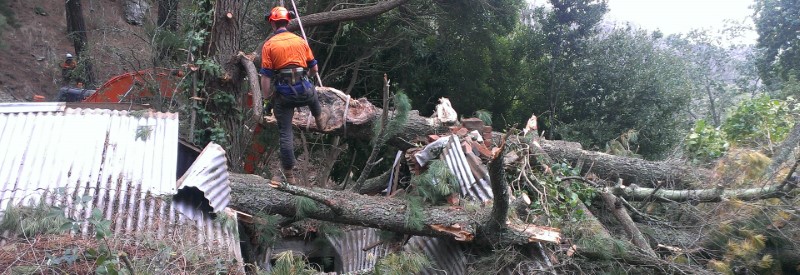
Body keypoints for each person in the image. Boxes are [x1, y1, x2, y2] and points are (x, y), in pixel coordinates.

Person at [260, 6, 329, 185]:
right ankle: (320, 120)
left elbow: (266, 77)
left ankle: (290, 176)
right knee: (313, 95)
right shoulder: (300, 41)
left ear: (273, 24)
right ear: (287, 22)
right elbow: (314, 69)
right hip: (304, 91)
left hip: (283, 95)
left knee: (286, 132)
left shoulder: (269, 45)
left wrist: (266, 98)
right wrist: (307, 78)